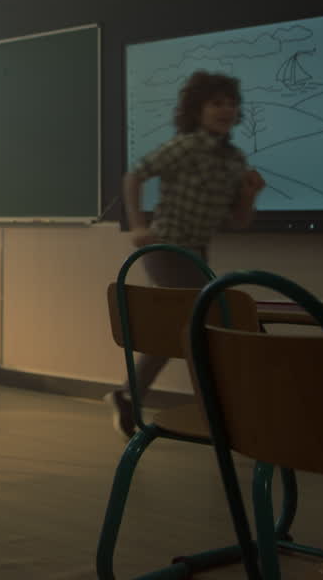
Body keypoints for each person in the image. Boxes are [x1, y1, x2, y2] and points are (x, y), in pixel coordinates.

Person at [106, 70, 265, 438]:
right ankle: (218, 408)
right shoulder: (185, 146)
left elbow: (238, 221)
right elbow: (134, 176)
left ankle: (128, 396)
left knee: (182, 327)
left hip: (196, 253)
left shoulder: (235, 160)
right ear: (197, 110)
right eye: (216, 103)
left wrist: (249, 195)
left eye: (231, 103)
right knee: (206, 322)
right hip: (166, 249)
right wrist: (137, 225)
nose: (225, 109)